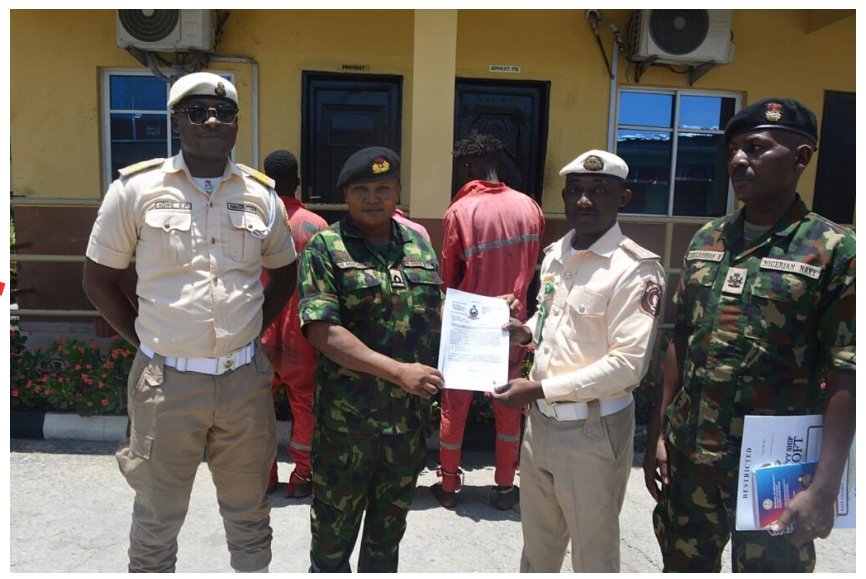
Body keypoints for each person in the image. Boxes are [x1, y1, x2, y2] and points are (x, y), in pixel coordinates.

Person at [82, 72, 297, 573]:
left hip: (243, 384)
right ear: (176, 122)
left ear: (237, 124)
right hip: (166, 384)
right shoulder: (135, 190)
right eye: (197, 112)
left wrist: (253, 330)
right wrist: (147, 339)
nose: (211, 121)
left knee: (250, 512)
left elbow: (285, 274)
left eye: (223, 113)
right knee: (156, 516)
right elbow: (98, 281)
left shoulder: (260, 195)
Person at [644, 97, 856, 572]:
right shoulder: (708, 239)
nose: (739, 160)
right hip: (692, 459)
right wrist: (658, 435)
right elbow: (681, 340)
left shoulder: (834, 251)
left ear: (801, 158)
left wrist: (824, 489)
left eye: (756, 148)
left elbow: (848, 373)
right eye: (735, 149)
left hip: (775, 470)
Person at [493, 149, 665, 572]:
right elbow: (553, 316)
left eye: (598, 190)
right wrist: (525, 330)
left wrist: (539, 388)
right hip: (540, 425)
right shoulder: (558, 252)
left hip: (593, 431)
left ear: (623, 197)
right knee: (538, 551)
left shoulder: (635, 270)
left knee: (593, 556)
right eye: (575, 191)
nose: (584, 200)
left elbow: (627, 365)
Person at [297, 146, 444, 572]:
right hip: (347, 430)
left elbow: (433, 313)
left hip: (406, 428)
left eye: (383, 188)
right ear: (346, 195)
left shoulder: (418, 243)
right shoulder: (326, 247)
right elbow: (323, 331)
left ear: (398, 191)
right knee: (331, 544)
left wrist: (489, 318)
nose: (373, 198)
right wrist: (399, 372)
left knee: (386, 542)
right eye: (362, 189)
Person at [431, 131, 545, 511]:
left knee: (455, 407)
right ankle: (504, 487)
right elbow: (532, 268)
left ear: (466, 167)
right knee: (509, 408)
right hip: (512, 327)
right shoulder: (530, 208)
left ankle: (449, 485)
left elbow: (449, 279)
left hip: (469, 327)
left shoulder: (460, 212)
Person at [259, 149, 328, 498]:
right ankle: (302, 477)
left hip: (258, 329)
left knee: (258, 408)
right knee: (305, 405)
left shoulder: (251, 223)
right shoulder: (316, 227)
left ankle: (264, 477)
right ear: (297, 181)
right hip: (301, 332)